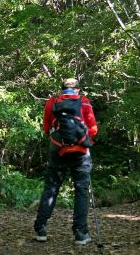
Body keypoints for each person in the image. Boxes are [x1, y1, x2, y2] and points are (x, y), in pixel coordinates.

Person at [33, 78, 98, 245]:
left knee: (51, 188)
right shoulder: (84, 102)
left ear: (62, 89)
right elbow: (93, 128)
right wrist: (82, 139)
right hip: (81, 153)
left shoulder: (52, 102)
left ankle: (40, 229)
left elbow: (47, 128)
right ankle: (80, 233)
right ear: (77, 89)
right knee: (81, 190)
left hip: (58, 151)